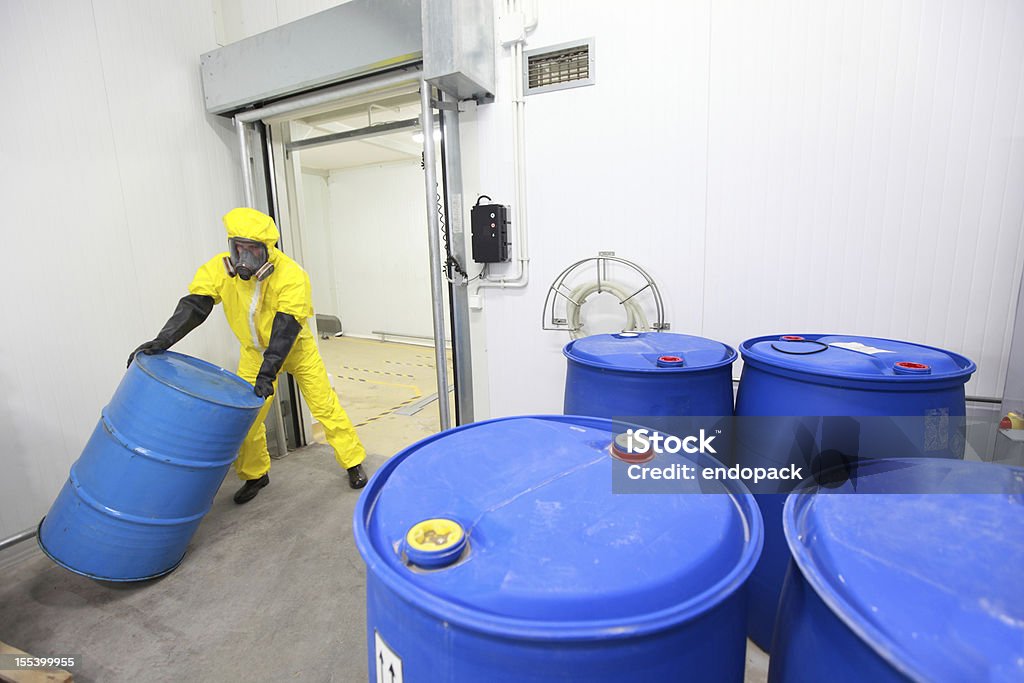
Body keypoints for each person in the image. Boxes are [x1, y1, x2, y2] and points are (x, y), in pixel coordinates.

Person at [130, 207, 368, 503]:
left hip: (297, 349)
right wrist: (162, 340)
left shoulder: (292, 276)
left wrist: (268, 374)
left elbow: (285, 328)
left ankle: (353, 462)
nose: (244, 257)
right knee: (247, 417)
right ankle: (255, 474)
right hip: (254, 353)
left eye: (252, 249)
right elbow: (194, 306)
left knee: (324, 407)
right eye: (238, 247)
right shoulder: (220, 271)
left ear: (268, 249)